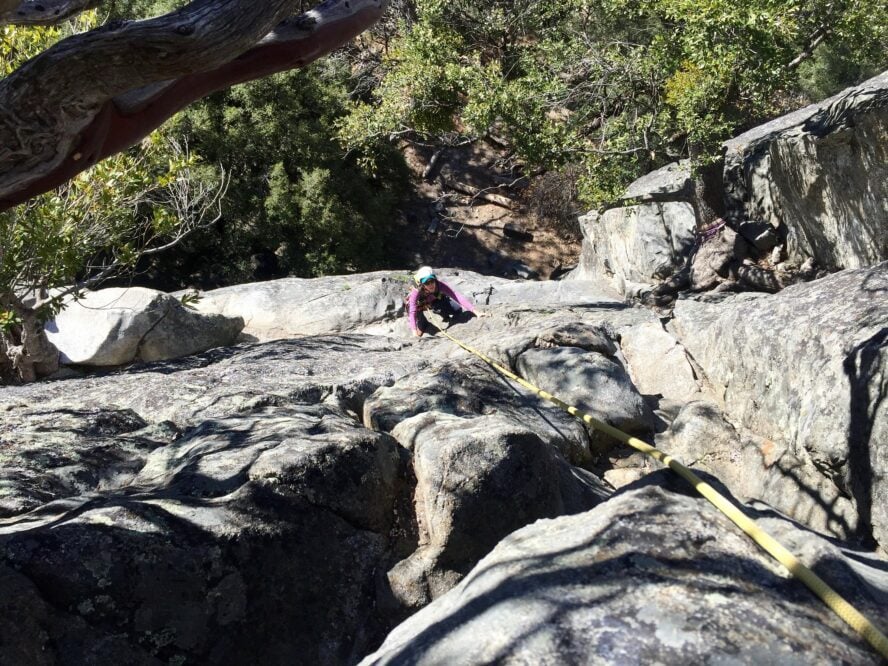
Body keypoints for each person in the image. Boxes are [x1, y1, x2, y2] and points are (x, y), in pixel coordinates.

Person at [407, 266, 476, 337]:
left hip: (434, 300)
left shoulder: (439, 285)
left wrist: (474, 310)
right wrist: (414, 332)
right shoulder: (416, 291)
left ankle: (444, 314)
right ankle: (422, 323)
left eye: (432, 281)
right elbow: (412, 310)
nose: (431, 285)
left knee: (457, 310)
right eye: (427, 283)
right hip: (421, 304)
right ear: (422, 285)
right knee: (412, 308)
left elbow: (455, 295)